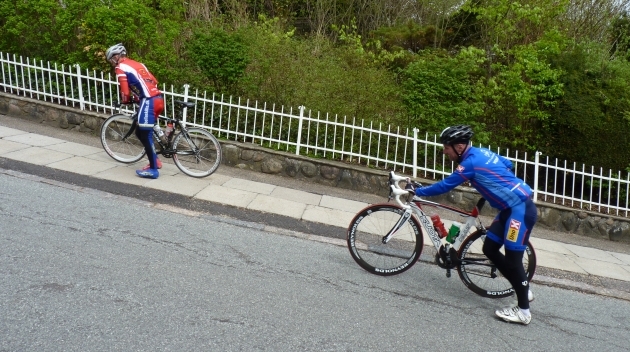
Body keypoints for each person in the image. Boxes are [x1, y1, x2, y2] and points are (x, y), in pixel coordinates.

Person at [412, 125, 537, 325]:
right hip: (508, 210)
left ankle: (523, 311)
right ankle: (521, 287)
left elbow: (446, 185)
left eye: (447, 147)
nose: (444, 150)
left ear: (459, 147)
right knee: (490, 248)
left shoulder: (470, 163)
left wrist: (419, 191)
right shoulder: (481, 153)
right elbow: (508, 163)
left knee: (514, 262)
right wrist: (494, 180)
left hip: (520, 212)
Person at [105, 43, 164, 179]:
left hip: (149, 101)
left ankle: (153, 170)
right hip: (158, 98)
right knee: (140, 131)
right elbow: (153, 81)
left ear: (117, 56)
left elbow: (125, 91)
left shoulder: (120, 67)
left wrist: (125, 100)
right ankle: (155, 160)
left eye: (111, 59)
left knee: (145, 134)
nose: (112, 63)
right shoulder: (140, 64)